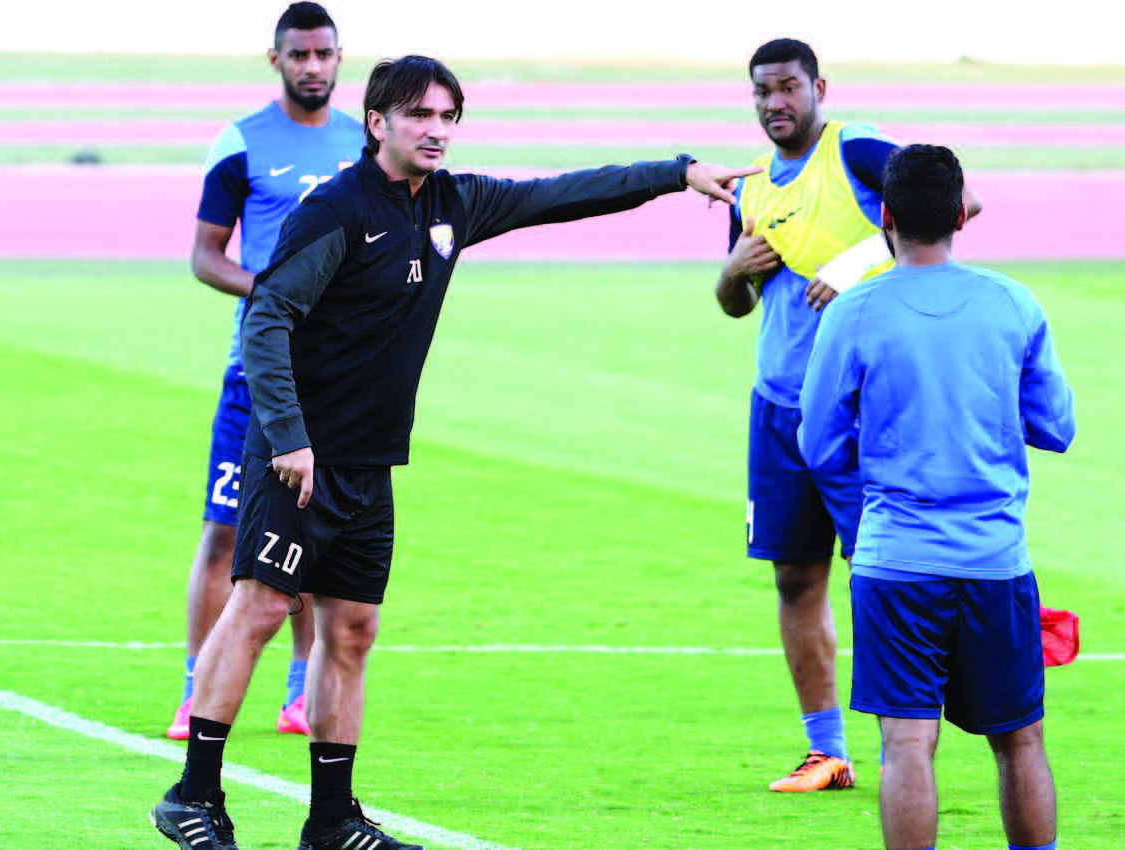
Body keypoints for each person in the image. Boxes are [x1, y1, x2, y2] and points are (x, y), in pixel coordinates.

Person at [149, 55, 758, 850]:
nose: (436, 131)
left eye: (447, 117)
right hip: (298, 456)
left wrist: (676, 174)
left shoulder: (451, 203)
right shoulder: (335, 210)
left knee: (351, 630)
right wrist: (289, 437)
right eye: (420, 116)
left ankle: (330, 820)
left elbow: (560, 194)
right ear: (377, 123)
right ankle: (192, 795)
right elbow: (267, 318)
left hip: (367, 462)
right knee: (261, 607)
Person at [715, 37, 981, 793]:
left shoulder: (854, 150)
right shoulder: (751, 187)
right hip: (778, 411)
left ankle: (909, 744)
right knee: (795, 581)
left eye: (788, 87)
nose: (775, 102)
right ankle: (826, 752)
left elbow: (957, 203)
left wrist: (857, 264)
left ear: (818, 88)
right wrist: (731, 270)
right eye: (762, 90)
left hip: (864, 414)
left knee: (886, 577)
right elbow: (735, 304)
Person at [799, 143, 1071, 850]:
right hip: (994, 560)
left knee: (906, 744)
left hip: (896, 560)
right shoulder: (1011, 303)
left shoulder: (853, 313)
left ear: (885, 217)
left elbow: (817, 444)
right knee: (1020, 740)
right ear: (959, 215)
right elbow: (1056, 427)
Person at [169, 0, 364, 743]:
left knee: (319, 537)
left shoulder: (363, 142)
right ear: (275, 58)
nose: (313, 67)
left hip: (337, 379)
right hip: (256, 373)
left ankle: (297, 694)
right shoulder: (242, 141)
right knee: (225, 534)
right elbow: (206, 257)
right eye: (299, 54)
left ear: (339, 58)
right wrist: (280, 292)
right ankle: (194, 690)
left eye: (324, 54)